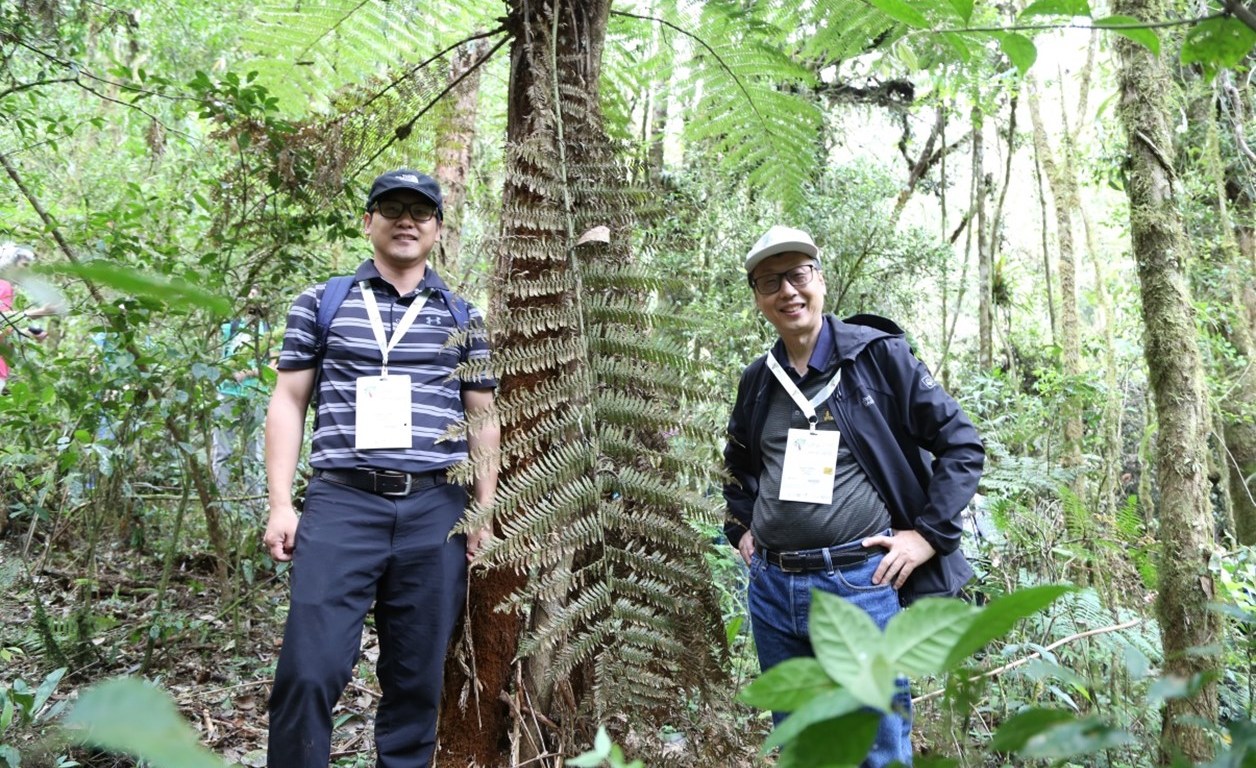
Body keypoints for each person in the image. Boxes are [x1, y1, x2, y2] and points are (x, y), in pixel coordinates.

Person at [262, 169, 499, 768]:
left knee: (416, 682)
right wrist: (281, 502)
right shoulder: (322, 301)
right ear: (368, 222)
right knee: (308, 672)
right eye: (391, 208)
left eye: (421, 212)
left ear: (438, 230)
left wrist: (482, 511)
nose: (406, 220)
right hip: (342, 504)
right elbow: (289, 401)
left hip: (434, 512)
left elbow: (483, 418)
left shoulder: (463, 316)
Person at [723, 225, 984, 766]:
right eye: (771, 281)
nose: (788, 291)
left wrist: (928, 536)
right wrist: (741, 529)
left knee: (876, 748)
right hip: (773, 590)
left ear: (820, 279)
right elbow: (738, 470)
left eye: (798, 275)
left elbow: (961, 444)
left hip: (858, 585)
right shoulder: (759, 380)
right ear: (757, 296)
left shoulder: (877, 356)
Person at [211, 286, 271, 499]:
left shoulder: (269, 332)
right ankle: (220, 501)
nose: (252, 301)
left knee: (253, 452)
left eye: (257, 296)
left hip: (255, 395)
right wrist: (227, 371)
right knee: (222, 450)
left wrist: (247, 373)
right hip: (227, 393)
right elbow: (219, 359)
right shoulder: (231, 328)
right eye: (250, 296)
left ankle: (253, 503)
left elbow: (273, 367)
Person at [0, 243, 60, 394]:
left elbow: (4, 330)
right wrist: (42, 311)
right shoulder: (4, 286)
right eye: (24, 265)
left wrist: (28, 331)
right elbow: (4, 321)